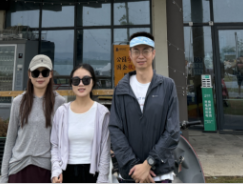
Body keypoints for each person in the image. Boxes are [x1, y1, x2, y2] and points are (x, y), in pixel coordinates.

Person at [109, 32, 180, 183]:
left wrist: (149, 163)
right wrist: (134, 166)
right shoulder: (121, 88)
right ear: (130, 54)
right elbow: (115, 129)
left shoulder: (167, 86)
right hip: (130, 174)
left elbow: (173, 130)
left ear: (153, 53)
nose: (141, 56)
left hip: (160, 174)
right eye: (136, 51)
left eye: (146, 51)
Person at [0, 54, 66, 183]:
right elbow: (10, 140)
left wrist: (58, 170)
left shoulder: (59, 103)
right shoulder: (18, 102)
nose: (40, 76)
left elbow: (60, 143)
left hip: (45, 170)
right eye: (36, 73)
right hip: (18, 168)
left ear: (51, 74)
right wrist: (3, 177)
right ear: (29, 74)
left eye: (44, 72)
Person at [50, 64, 111, 183]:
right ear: (71, 84)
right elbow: (55, 145)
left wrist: (102, 179)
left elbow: (105, 149)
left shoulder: (102, 112)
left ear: (93, 82)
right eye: (76, 80)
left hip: (93, 174)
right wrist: (56, 171)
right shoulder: (61, 112)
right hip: (66, 173)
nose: (81, 84)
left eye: (86, 80)